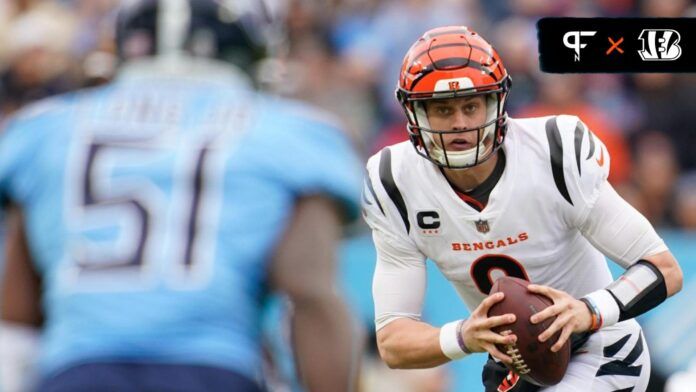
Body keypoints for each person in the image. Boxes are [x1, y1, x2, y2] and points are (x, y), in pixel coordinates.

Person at [0, 1, 363, 391]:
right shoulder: (290, 134)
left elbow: (18, 312)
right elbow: (308, 291)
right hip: (211, 370)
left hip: (77, 373)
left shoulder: (46, 130)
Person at [361, 26, 683, 392]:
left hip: (602, 347)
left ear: (496, 103)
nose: (460, 123)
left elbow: (664, 269)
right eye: (441, 109)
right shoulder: (394, 182)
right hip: (516, 367)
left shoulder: (554, 153)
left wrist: (587, 311)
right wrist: (466, 335)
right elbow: (392, 341)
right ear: (414, 113)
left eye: (471, 105)